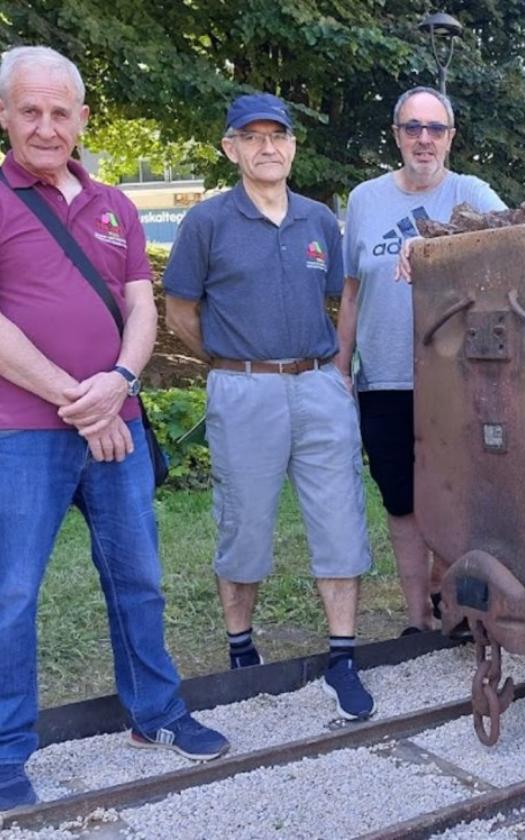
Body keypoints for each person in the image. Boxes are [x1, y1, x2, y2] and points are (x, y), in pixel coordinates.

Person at [0, 46, 229, 811]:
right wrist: (80, 398)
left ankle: (155, 715)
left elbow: (141, 308)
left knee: (138, 581)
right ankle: (5, 754)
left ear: (82, 119)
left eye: (60, 111)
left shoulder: (116, 207)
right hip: (22, 429)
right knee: (11, 595)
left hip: (118, 426)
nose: (45, 125)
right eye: (29, 109)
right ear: (5, 115)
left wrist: (122, 383)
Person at [163, 93, 375, 721]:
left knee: (339, 517)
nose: (266, 147)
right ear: (231, 148)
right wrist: (231, 364)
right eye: (251, 137)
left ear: (291, 146)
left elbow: (345, 296)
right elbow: (179, 311)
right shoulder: (207, 222)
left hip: (317, 386)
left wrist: (339, 366)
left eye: (276, 136)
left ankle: (343, 656)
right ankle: (241, 653)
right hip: (244, 390)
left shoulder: (317, 221)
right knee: (245, 522)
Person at [335, 86, 505, 634]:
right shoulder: (364, 200)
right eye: (413, 127)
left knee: (455, 497)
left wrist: (440, 241)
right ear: (396, 134)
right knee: (402, 502)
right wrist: (341, 366)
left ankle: (453, 606)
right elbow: (353, 291)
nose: (424, 139)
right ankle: (416, 621)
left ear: (451, 138)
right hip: (383, 377)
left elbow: (515, 245)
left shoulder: (472, 192)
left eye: (436, 129)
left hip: (456, 380)